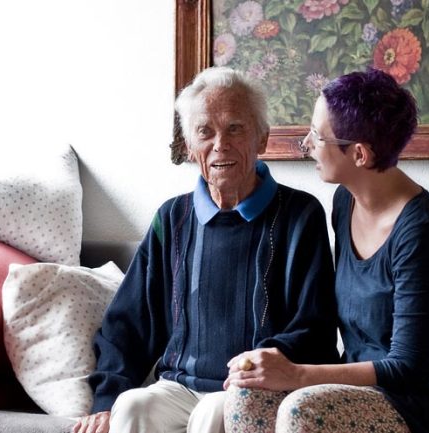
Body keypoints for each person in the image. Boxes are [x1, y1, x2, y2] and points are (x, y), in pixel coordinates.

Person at [72, 67, 340, 433]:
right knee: (131, 406)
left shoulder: (299, 214)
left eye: (235, 128)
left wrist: (256, 364)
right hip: (179, 386)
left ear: (262, 138)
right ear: (189, 147)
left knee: (214, 413)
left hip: (254, 388)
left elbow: (314, 324)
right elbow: (129, 323)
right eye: (205, 132)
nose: (220, 144)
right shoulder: (172, 218)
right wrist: (106, 400)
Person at [222, 68, 429, 433]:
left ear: (359, 154)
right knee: (247, 395)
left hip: (424, 402)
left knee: (302, 410)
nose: (306, 143)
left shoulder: (422, 234)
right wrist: (274, 360)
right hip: (360, 391)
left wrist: (296, 375)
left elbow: (409, 368)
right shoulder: (345, 202)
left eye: (318, 135)